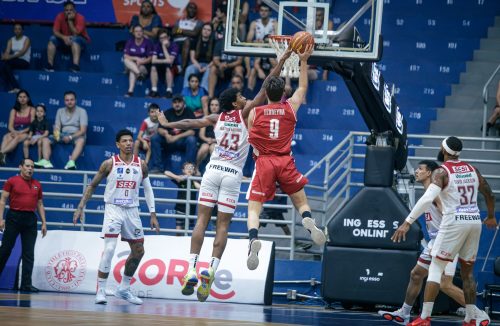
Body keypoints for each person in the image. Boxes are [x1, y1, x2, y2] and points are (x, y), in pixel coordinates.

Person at [156, 48, 293, 302]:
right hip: (232, 174)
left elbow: (188, 124)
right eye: (241, 96)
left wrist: (166, 124)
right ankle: (212, 270)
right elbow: (265, 87)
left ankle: (190, 271)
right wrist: (281, 60)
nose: (244, 97)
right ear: (235, 103)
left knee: (201, 222)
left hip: (212, 171)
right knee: (223, 225)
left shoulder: (216, 117)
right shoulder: (245, 114)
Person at [392, 136, 496, 326]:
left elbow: (426, 200)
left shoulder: (442, 172)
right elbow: (489, 193)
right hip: (474, 221)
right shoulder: (473, 169)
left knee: (436, 270)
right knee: (468, 274)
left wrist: (407, 222)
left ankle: (424, 317)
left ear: (443, 149)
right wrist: (490, 215)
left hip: (454, 222)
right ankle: (471, 318)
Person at [245, 44, 326, 271]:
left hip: (264, 162)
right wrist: (303, 60)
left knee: (254, 207)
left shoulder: (254, 112)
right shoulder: (290, 107)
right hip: (285, 159)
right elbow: (302, 86)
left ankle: (253, 239)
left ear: (267, 92)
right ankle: (308, 219)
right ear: (283, 93)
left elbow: (252, 137)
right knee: (300, 200)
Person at [378, 160, 472, 325]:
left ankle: (477, 313)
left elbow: (450, 214)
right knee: (416, 274)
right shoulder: (429, 192)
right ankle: (404, 313)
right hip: (435, 241)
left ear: (430, 173)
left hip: (447, 239)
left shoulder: (436, 194)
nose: (417, 172)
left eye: (420, 169)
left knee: (445, 284)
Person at [73, 129, 159, 305]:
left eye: (131, 140)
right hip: (113, 209)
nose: (128, 143)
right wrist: (80, 207)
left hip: (132, 211)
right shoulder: (109, 163)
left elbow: (148, 189)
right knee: (110, 249)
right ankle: (101, 291)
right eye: (125, 141)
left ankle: (123, 288)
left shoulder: (141, 164)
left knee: (139, 251)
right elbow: (92, 185)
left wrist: (153, 213)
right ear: (117, 144)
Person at [0, 158, 47, 292]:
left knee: (28, 253)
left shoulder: (37, 184)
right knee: (5, 249)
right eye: (27, 166)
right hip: (14, 217)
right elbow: (2, 200)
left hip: (30, 219)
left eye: (32, 167)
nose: (30, 169)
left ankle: (26, 284)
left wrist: (44, 222)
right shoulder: (11, 181)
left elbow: (39, 204)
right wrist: (0, 219)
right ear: (21, 167)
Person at [149, 95, 197, 173]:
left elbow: (192, 131)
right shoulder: (167, 112)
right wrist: (166, 134)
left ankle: (189, 169)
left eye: (179, 102)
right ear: (172, 104)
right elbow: (160, 128)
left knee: (192, 139)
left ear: (183, 103)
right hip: (169, 140)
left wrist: (176, 137)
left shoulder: (188, 112)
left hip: (182, 141)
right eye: (175, 102)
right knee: (155, 138)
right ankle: (157, 167)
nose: (177, 104)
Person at [45, 1, 90, 72]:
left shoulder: (80, 17)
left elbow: (76, 33)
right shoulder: (60, 16)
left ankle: (76, 66)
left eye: (71, 10)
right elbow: (55, 31)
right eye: (66, 10)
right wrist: (64, 37)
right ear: (64, 11)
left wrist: (70, 21)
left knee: (75, 39)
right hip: (66, 40)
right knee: (52, 38)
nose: (68, 12)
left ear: (75, 10)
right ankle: (50, 65)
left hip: (80, 41)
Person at [52, 90, 87, 170]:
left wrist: (70, 137)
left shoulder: (82, 111)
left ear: (76, 100)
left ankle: (71, 162)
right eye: (67, 100)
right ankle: (46, 161)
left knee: (81, 140)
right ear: (64, 101)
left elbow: (83, 130)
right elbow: (57, 126)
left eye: (72, 100)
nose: (69, 102)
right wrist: (56, 135)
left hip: (76, 136)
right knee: (45, 140)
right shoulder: (60, 111)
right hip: (62, 134)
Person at [0, 89, 35, 166]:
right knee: (6, 137)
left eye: (24, 97)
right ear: (17, 99)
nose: (22, 99)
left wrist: (20, 132)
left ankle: (1, 153)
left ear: (28, 98)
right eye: (20, 97)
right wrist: (14, 132)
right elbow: (10, 126)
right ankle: (2, 156)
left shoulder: (32, 109)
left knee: (17, 138)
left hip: (26, 132)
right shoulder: (13, 110)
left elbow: (32, 125)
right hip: (15, 131)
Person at [164, 161, 200, 235]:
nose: (189, 169)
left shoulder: (194, 182)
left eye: (191, 168)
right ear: (183, 170)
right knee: (179, 231)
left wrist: (192, 179)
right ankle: (177, 245)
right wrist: (177, 177)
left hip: (191, 211)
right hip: (180, 209)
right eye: (187, 168)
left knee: (189, 232)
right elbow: (166, 172)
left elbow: (200, 188)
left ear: (194, 171)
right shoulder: (181, 180)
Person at [183, 22, 215, 93]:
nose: (206, 31)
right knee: (189, 69)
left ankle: (202, 92)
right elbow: (192, 58)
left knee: (209, 71)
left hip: (209, 65)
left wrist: (206, 68)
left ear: (211, 32)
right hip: (197, 64)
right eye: (204, 29)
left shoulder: (214, 42)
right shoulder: (195, 41)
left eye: (208, 30)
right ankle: (186, 91)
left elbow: (214, 60)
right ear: (201, 30)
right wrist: (199, 67)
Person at [172, 2, 203, 71]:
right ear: (186, 9)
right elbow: (173, 31)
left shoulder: (199, 22)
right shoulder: (180, 20)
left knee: (187, 40)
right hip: (177, 42)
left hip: (190, 43)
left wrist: (180, 31)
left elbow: (194, 33)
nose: (192, 10)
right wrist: (187, 32)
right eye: (190, 8)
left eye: (194, 8)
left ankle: (183, 68)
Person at [124, 25, 154, 97]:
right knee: (126, 60)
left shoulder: (148, 42)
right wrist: (136, 58)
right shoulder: (130, 42)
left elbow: (150, 58)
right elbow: (126, 56)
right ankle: (139, 74)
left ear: (143, 32)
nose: (138, 33)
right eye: (136, 31)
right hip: (131, 64)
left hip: (144, 66)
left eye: (140, 31)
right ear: (133, 33)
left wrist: (141, 62)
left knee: (132, 70)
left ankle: (130, 91)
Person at [0, 23, 31, 93]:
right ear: (13, 30)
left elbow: (22, 52)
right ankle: (14, 87)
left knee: (5, 64)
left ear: (22, 30)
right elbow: (7, 52)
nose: (17, 31)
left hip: (24, 61)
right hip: (13, 61)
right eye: (15, 29)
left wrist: (9, 57)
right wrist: (5, 56)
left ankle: (15, 87)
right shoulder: (10, 40)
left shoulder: (26, 39)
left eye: (19, 29)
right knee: (3, 64)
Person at [149, 29, 178, 98]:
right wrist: (165, 61)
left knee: (168, 67)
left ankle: (169, 91)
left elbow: (170, 62)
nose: (162, 40)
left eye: (164, 37)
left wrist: (164, 47)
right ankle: (154, 90)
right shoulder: (157, 45)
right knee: (153, 67)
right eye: (161, 38)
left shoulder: (174, 46)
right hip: (161, 66)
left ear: (168, 37)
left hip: (174, 66)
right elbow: (153, 61)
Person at [24, 104, 52, 169]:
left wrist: (37, 138)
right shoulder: (34, 122)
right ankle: (26, 160)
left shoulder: (46, 122)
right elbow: (31, 132)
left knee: (39, 142)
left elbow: (46, 134)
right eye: (37, 111)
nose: (39, 113)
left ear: (44, 113)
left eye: (41, 111)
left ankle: (39, 160)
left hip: (42, 137)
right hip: (34, 137)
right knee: (25, 142)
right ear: (35, 112)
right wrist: (30, 137)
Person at [196, 97, 219, 172]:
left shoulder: (222, 118)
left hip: (218, 142)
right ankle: (196, 167)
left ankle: (214, 171)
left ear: (219, 107)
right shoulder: (206, 118)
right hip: (206, 141)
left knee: (213, 148)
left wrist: (214, 140)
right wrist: (208, 139)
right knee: (204, 148)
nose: (214, 107)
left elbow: (224, 136)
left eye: (216, 105)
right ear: (209, 106)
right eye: (212, 105)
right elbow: (201, 134)